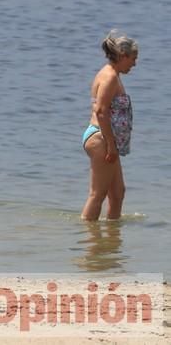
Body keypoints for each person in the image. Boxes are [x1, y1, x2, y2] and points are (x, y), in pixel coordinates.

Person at [81, 29, 138, 221]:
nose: (134, 64)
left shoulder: (113, 75)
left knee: (117, 193)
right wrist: (111, 145)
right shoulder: (109, 77)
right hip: (101, 138)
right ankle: (89, 244)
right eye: (133, 58)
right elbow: (101, 111)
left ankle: (111, 242)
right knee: (97, 194)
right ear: (123, 56)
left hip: (106, 139)